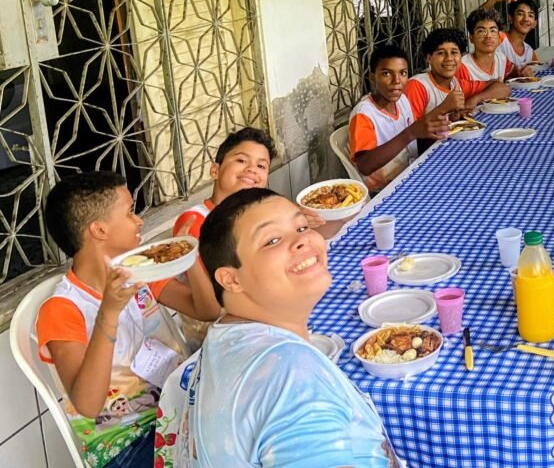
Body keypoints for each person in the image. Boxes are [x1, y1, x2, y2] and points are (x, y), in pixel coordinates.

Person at [182, 188, 401, 466]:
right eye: (272, 240)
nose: (302, 240)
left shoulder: (225, 339)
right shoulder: (291, 379)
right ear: (232, 280)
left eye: (301, 227)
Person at [35, 172, 221, 468]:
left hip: (176, 406)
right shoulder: (62, 309)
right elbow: (88, 405)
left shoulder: (140, 273)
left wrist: (188, 254)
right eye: (130, 212)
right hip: (124, 443)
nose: (139, 221)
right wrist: (108, 313)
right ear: (99, 230)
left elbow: (206, 310)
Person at [350, 44, 449, 191]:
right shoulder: (364, 114)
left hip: (410, 175)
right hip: (385, 190)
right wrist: (410, 133)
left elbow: (413, 143)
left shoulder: (402, 100)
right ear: (372, 78)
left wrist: (431, 132)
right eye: (386, 73)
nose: (396, 81)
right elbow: (365, 166)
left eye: (403, 73)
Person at [405, 28, 467, 120]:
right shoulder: (417, 86)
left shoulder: (454, 83)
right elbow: (411, 127)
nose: (449, 58)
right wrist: (444, 108)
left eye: (454, 52)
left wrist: (454, 116)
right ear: (429, 58)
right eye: (441, 53)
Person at [456, 8, 513, 109]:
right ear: (471, 38)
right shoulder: (462, 66)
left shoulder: (501, 59)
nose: (488, 36)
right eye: (481, 31)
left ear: (499, 37)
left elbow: (513, 71)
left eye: (493, 30)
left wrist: (522, 70)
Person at [482, 0, 541, 75]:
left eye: (530, 15)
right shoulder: (500, 38)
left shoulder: (529, 52)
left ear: (534, 23)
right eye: (520, 14)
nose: (526, 19)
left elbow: (537, 74)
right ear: (510, 18)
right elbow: (476, 21)